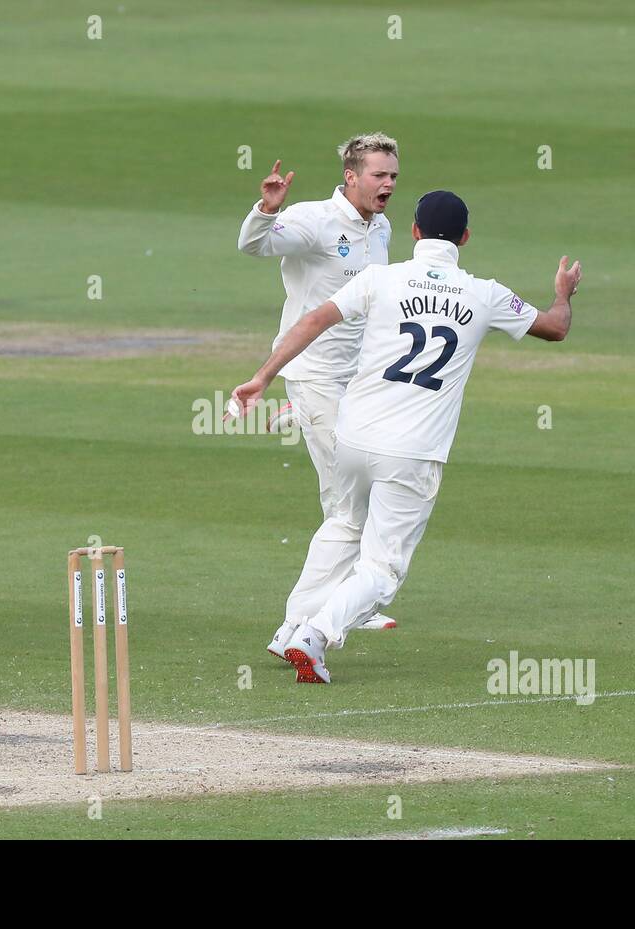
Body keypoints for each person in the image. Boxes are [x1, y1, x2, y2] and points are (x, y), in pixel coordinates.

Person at [230, 190, 581, 683]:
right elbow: (555, 328)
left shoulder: (380, 278)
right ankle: (314, 635)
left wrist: (263, 377)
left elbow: (312, 320)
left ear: (414, 232)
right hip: (413, 452)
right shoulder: (485, 293)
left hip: (354, 438)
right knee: (382, 568)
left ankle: (289, 627)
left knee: (342, 526)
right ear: (465, 238)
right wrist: (563, 292)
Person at [237, 132, 400, 649]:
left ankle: (343, 604)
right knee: (349, 503)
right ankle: (312, 621)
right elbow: (253, 245)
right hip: (314, 374)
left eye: (393, 175)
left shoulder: (382, 228)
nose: (389, 184)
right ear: (351, 176)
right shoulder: (313, 219)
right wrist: (266, 209)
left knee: (362, 495)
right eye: (379, 175)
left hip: (360, 380)